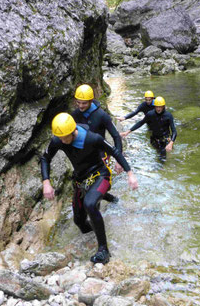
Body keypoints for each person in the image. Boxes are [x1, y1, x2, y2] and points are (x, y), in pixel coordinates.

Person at [40, 113, 138, 264]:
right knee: (79, 221)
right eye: (60, 138)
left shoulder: (92, 138)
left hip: (100, 175)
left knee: (90, 204)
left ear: (73, 131)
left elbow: (115, 151)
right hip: (80, 179)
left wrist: (130, 174)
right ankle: (96, 235)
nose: (62, 141)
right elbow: (45, 158)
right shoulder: (58, 140)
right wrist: (46, 182)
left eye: (65, 137)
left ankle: (104, 250)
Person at [71, 84, 123, 202]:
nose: (80, 106)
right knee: (83, 185)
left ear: (90, 101)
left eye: (84, 103)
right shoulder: (75, 115)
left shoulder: (101, 115)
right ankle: (110, 200)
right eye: (78, 102)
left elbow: (116, 136)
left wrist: (119, 160)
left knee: (96, 185)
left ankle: (110, 200)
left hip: (100, 155)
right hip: (83, 155)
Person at [121, 96, 177, 160]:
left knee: (162, 156)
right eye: (157, 107)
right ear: (154, 106)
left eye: (160, 107)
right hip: (154, 138)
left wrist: (171, 143)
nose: (158, 109)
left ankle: (162, 167)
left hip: (165, 138)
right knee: (158, 152)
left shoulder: (168, 115)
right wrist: (127, 132)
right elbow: (141, 123)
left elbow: (174, 131)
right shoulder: (150, 114)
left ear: (163, 107)